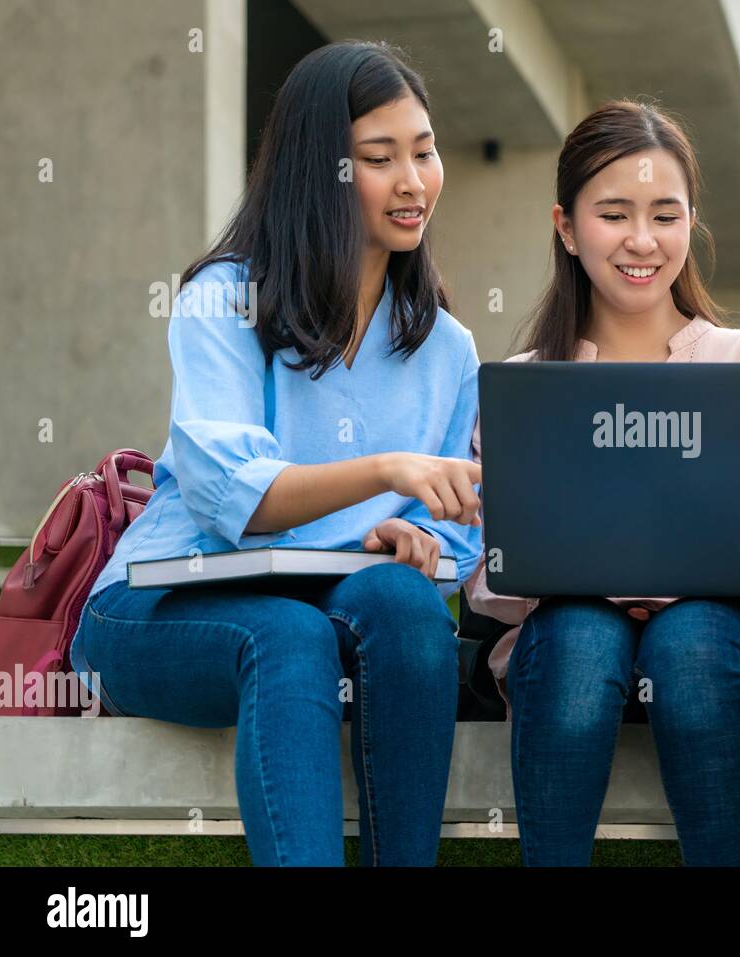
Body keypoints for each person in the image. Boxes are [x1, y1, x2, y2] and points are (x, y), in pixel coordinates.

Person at [69, 41, 483, 867]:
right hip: (154, 610)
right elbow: (237, 497)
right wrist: (387, 472)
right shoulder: (224, 298)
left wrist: (413, 539)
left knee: (407, 611)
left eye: (425, 151)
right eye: (379, 158)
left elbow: (457, 527)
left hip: (334, 609)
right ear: (320, 169)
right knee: (287, 637)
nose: (414, 181)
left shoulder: (448, 347)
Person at [465, 100, 740, 867]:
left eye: (665, 215)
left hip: (717, 636)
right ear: (567, 228)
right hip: (568, 639)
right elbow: (487, 574)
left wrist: (688, 584)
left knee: (690, 639)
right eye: (614, 214)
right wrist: (597, 582)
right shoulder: (524, 387)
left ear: (689, 224)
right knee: (577, 637)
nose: (642, 240)